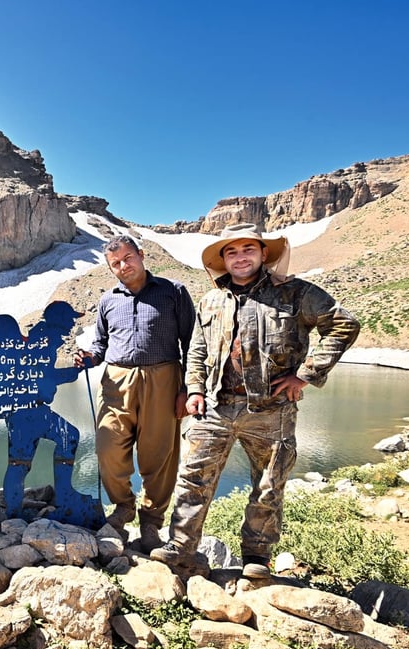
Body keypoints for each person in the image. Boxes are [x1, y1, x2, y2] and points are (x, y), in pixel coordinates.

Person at [150, 223, 361, 578]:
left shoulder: (296, 294)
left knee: (268, 483)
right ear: (224, 260)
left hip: (271, 409)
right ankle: (181, 547)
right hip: (216, 405)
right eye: (231, 252)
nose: (240, 257)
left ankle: (256, 557)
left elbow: (344, 325)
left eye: (248, 248)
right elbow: (198, 350)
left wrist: (306, 374)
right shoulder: (211, 299)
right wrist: (196, 389)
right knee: (192, 478)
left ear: (264, 254)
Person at [74, 234, 195, 551]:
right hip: (116, 381)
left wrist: (187, 389)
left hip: (164, 378)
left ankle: (152, 521)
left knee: (160, 455)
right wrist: (90, 356)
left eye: (127, 258)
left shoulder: (174, 292)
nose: (123, 266)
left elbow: (192, 344)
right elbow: (100, 345)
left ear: (141, 255)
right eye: (115, 263)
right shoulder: (107, 301)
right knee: (107, 446)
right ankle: (124, 505)